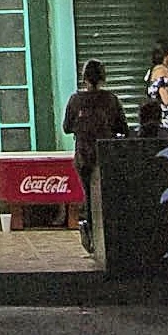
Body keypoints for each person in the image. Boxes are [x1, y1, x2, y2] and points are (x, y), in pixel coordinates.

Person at [63, 60, 129, 250]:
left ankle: (89, 229)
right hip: (106, 155)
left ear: (84, 78)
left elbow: (67, 127)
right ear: (103, 78)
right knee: (107, 195)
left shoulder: (75, 100)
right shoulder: (111, 100)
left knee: (89, 195)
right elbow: (123, 128)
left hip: (83, 155)